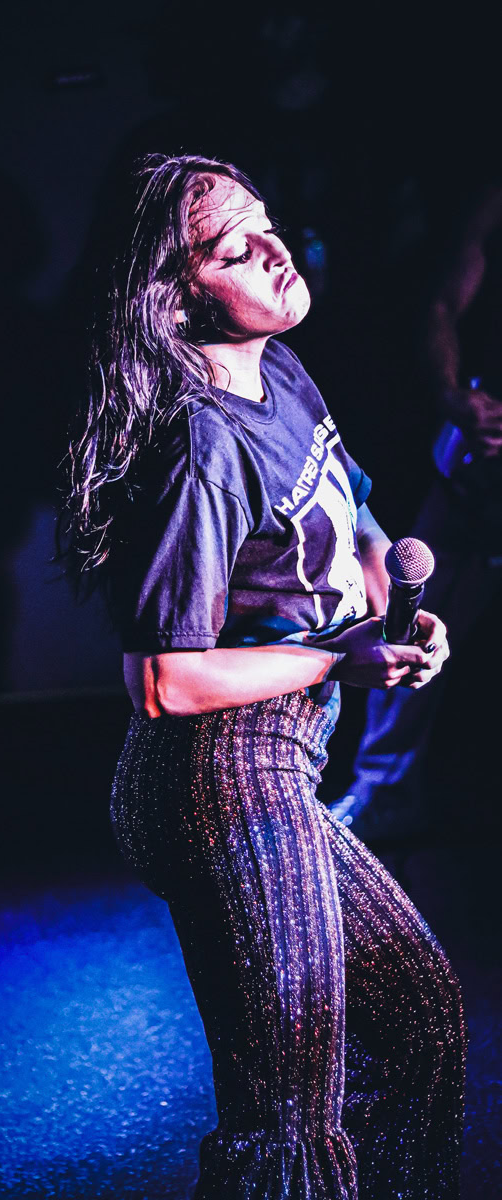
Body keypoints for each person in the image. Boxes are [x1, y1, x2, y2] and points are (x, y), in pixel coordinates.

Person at [62, 154, 466, 1199]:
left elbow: (354, 513)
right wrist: (338, 656)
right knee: (286, 1117)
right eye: (234, 248)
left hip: (279, 762)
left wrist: (393, 613)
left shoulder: (278, 369)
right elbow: (164, 680)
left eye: (267, 225)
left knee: (418, 1020)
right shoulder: (202, 446)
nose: (275, 253)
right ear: (176, 295)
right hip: (215, 779)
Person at [330, 182, 502, 839]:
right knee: (409, 622)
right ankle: (384, 792)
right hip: (475, 474)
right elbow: (443, 302)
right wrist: (454, 394)